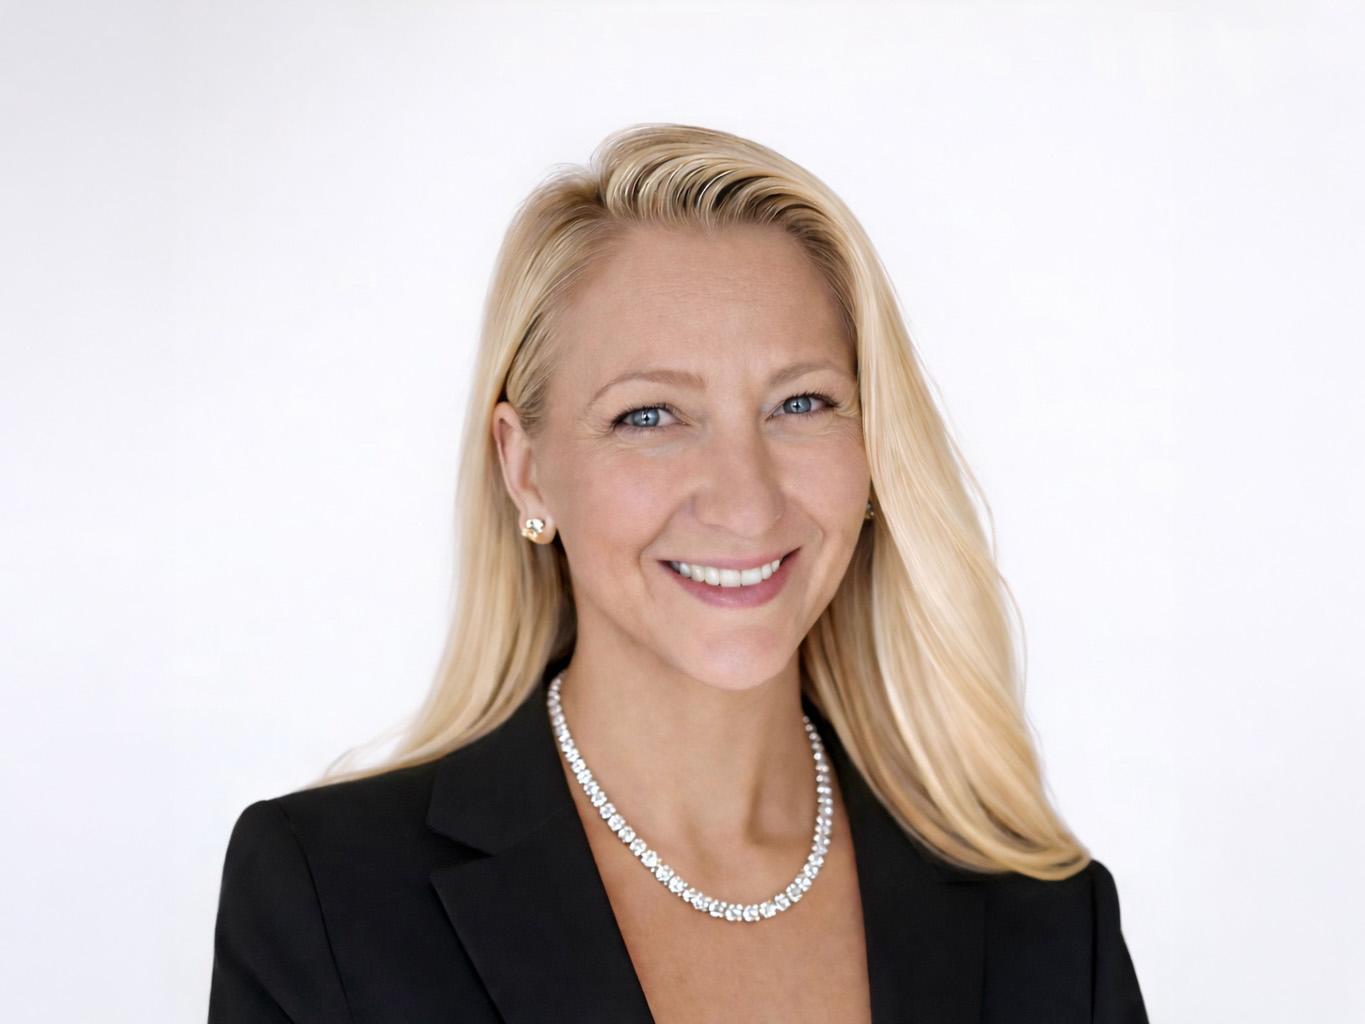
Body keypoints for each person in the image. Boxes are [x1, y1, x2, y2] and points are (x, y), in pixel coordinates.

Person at [209, 123, 1148, 1023]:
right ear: (525, 466)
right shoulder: (328, 895)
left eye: (802, 402)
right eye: (649, 416)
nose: (745, 500)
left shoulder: (1049, 920)